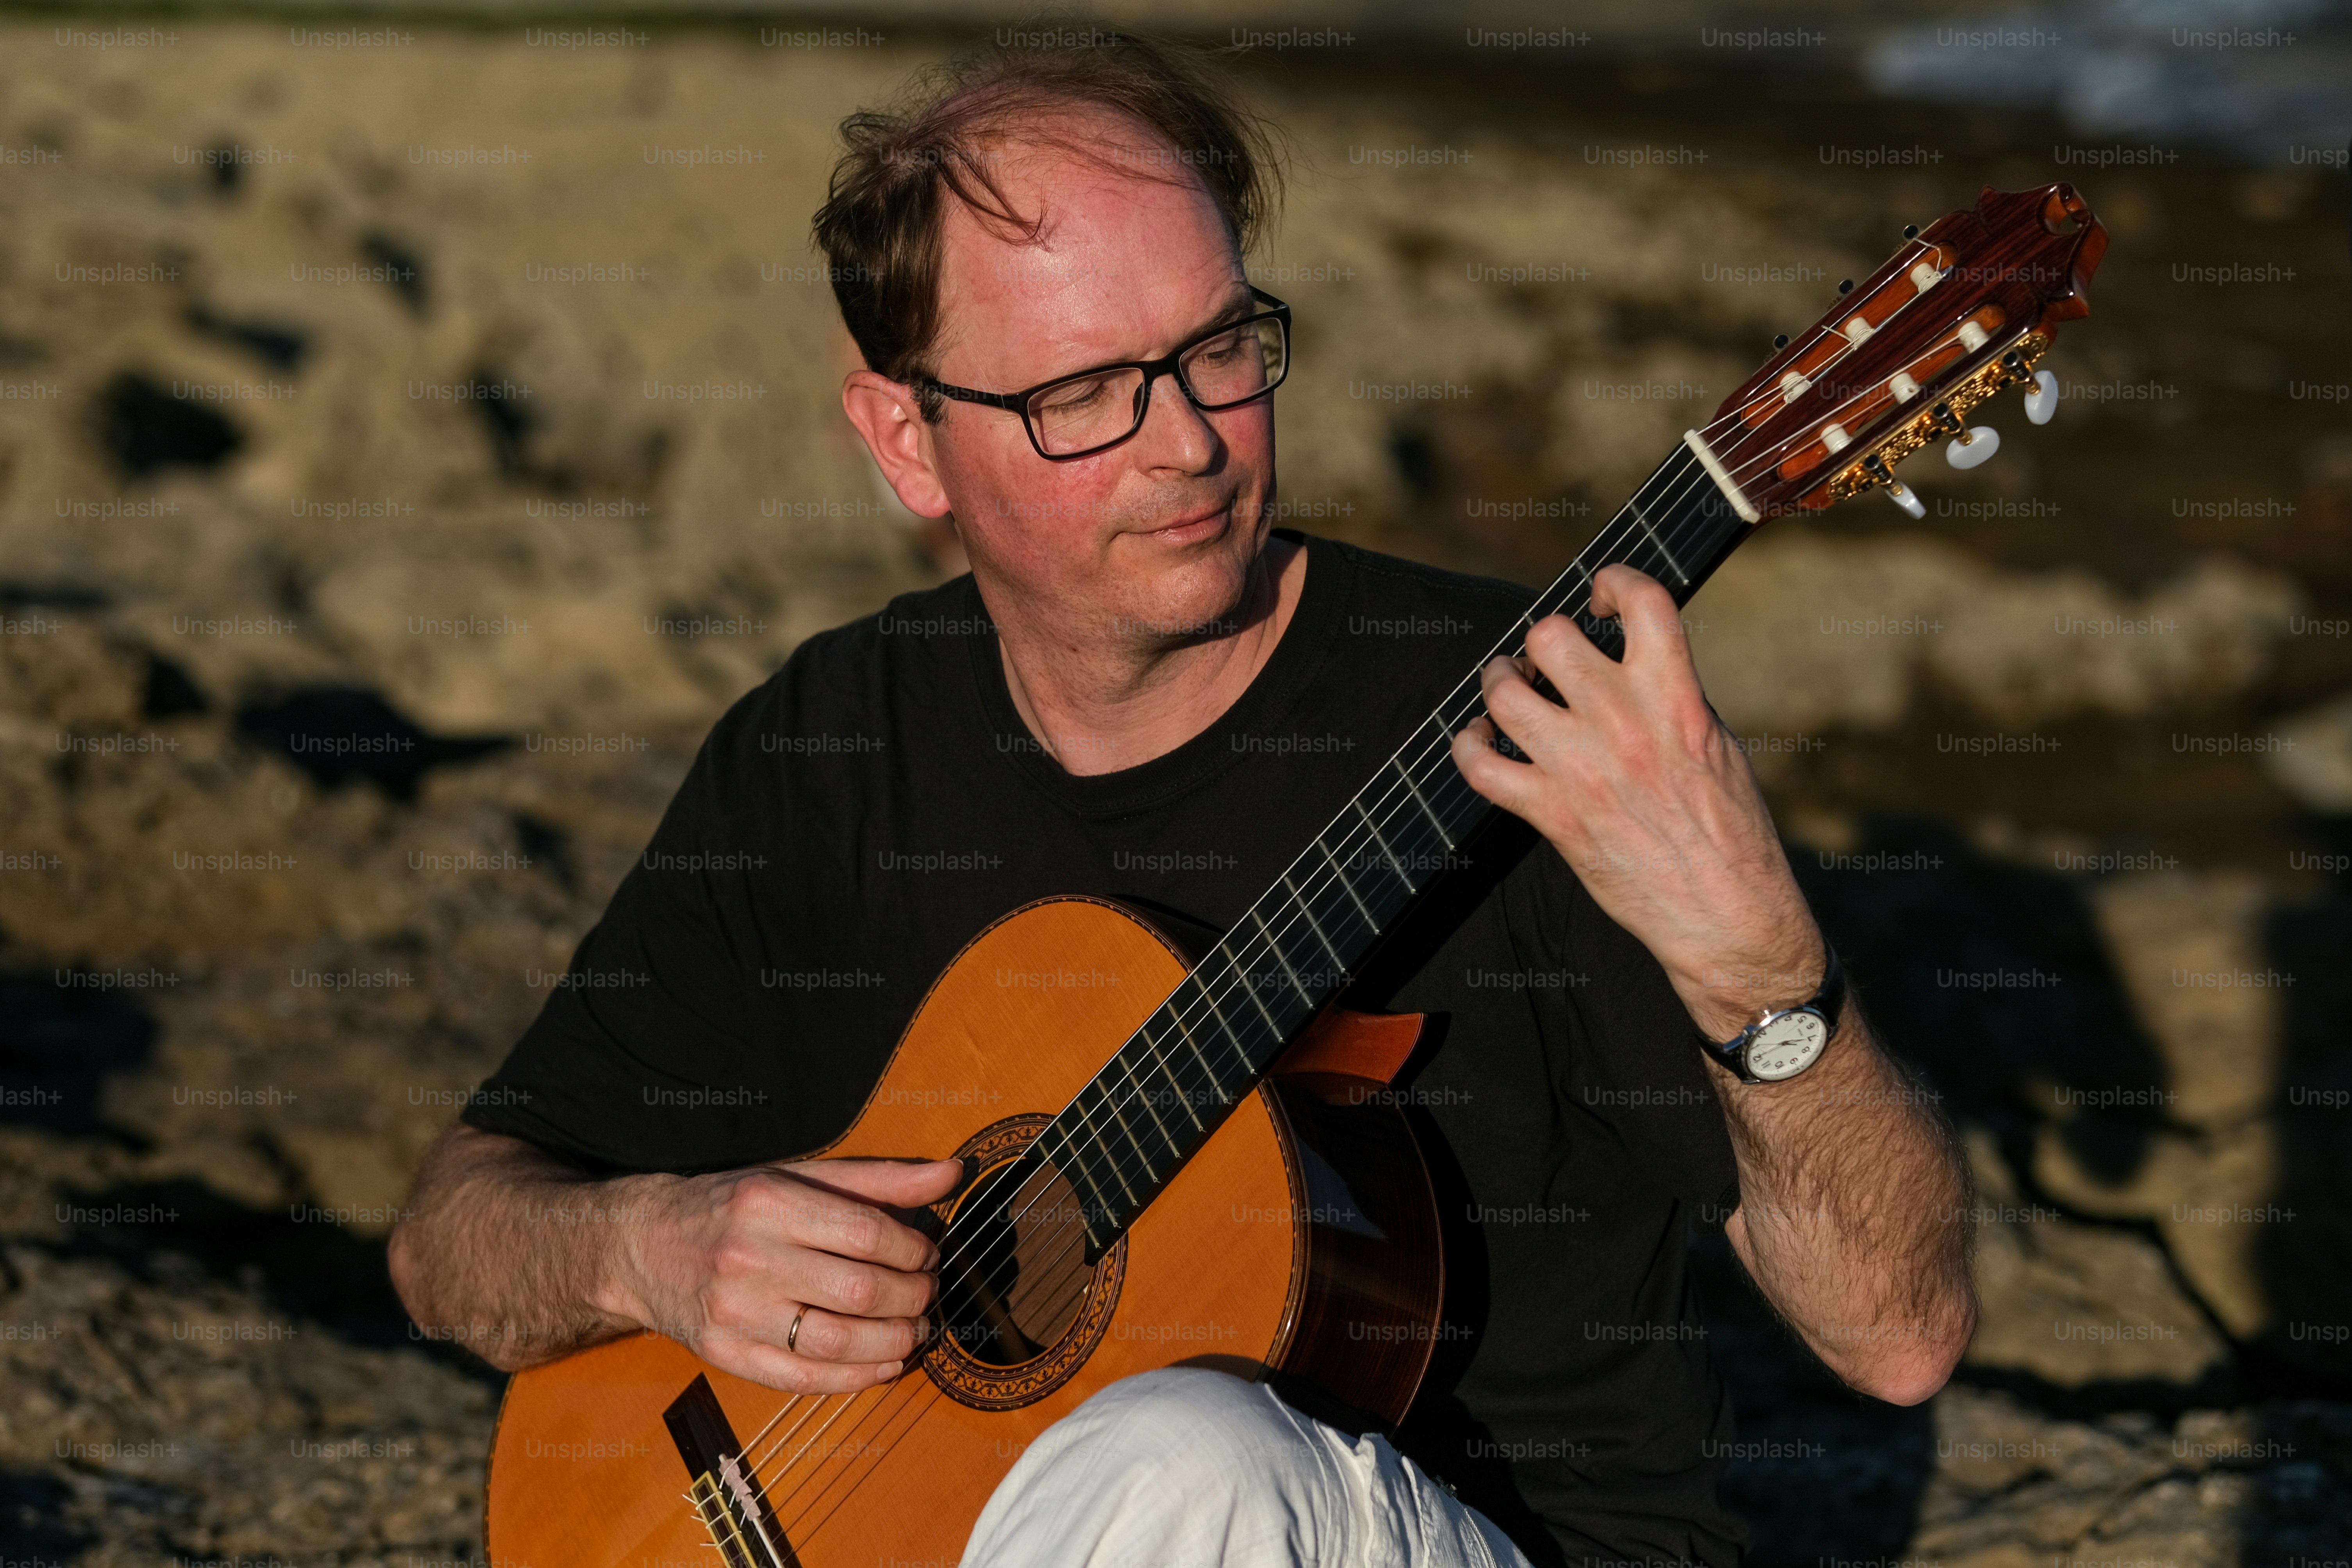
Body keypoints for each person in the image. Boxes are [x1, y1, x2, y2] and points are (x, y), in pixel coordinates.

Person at [388, 32, 1976, 1568]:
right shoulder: (828, 744)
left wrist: (1757, 964)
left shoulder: (1536, 727)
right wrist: (643, 1246)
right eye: (1084, 391)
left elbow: (1897, 1334)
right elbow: (452, 1239)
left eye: (1219, 344)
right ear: (907, 442)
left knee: (1185, 1460)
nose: (1190, 441)